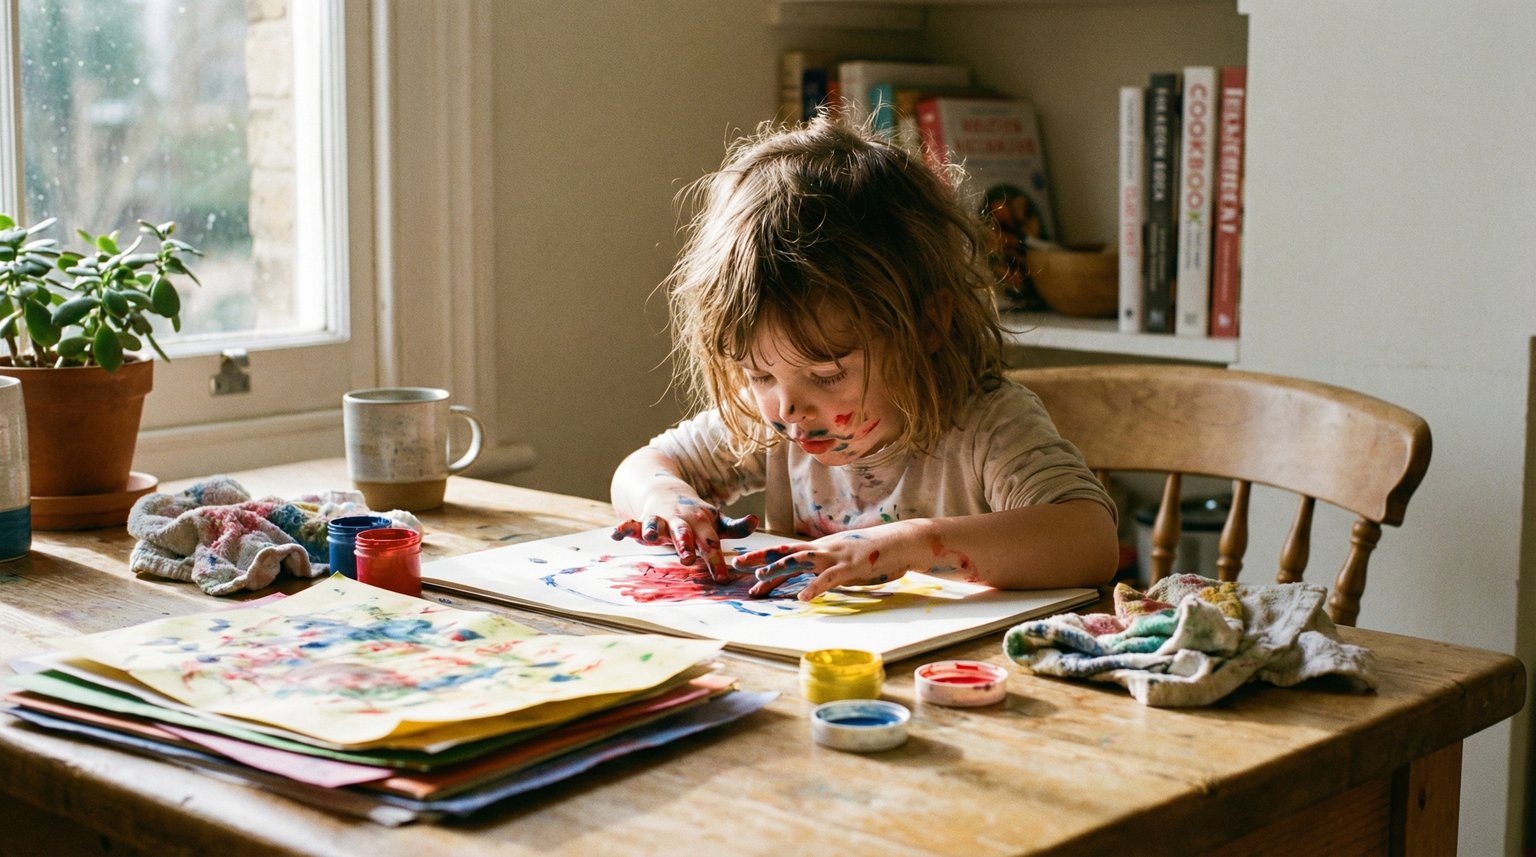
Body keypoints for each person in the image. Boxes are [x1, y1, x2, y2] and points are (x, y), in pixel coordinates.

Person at [610, 116, 1118, 602]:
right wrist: (664, 500)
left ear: (927, 327)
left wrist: (906, 547)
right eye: (759, 372)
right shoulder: (772, 423)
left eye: (827, 373)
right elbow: (642, 468)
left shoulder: (986, 428)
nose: (787, 408)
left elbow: (1090, 538)